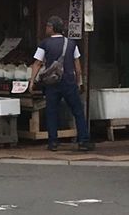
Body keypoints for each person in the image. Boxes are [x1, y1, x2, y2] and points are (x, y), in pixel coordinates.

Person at [29, 16, 93, 152]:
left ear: (52, 28)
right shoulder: (71, 43)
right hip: (69, 82)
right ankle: (83, 141)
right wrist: (79, 82)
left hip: (52, 83)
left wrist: (32, 81)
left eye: (47, 26)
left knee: (51, 112)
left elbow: (37, 63)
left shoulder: (44, 44)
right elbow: (77, 65)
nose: (46, 28)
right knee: (78, 111)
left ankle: (53, 142)